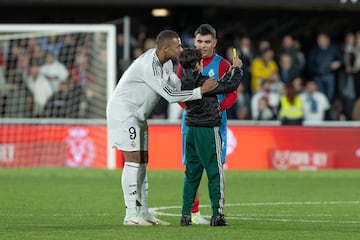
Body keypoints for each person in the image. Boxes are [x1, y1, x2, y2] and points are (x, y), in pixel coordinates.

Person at [106, 30, 218, 227]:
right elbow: (171, 96)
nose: (181, 49)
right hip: (124, 113)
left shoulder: (165, 62)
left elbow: (177, 85)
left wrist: (196, 77)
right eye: (178, 47)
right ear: (166, 48)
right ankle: (130, 214)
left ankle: (144, 212)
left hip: (138, 116)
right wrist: (201, 91)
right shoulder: (148, 65)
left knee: (142, 161)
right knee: (132, 160)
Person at [176, 24, 236, 225]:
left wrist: (218, 109)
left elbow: (232, 94)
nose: (203, 45)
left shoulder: (222, 64)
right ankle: (196, 213)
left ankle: (216, 210)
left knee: (217, 168)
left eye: (207, 42)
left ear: (215, 43)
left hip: (216, 123)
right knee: (195, 168)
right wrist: (193, 109)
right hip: (194, 122)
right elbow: (178, 93)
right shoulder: (187, 62)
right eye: (200, 41)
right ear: (194, 41)